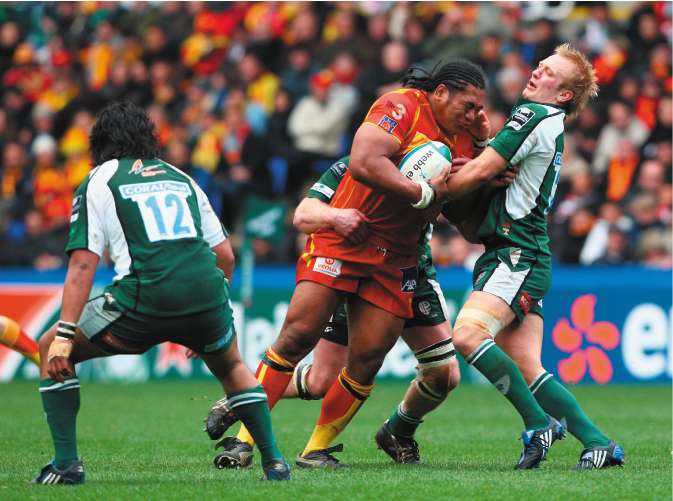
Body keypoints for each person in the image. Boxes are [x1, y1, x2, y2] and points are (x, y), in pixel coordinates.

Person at [214, 61, 489, 470]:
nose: (473, 116)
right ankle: (244, 441)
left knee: (368, 358)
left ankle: (316, 450)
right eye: (468, 106)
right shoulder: (399, 107)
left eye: (479, 109)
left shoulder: (465, 140)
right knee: (296, 337)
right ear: (441, 92)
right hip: (345, 239)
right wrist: (418, 192)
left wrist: (484, 151)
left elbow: (457, 209)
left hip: (397, 258)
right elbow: (363, 161)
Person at [33, 101, 290, 485]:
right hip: (205, 294)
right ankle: (275, 464)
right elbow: (225, 255)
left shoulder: (99, 179)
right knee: (233, 368)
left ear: (100, 143)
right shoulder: (181, 177)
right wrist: (210, 310)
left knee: (50, 344)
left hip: (143, 298)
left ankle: (66, 466)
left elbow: (83, 265)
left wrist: (66, 334)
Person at [445, 44, 624, 470]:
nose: (535, 74)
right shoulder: (549, 123)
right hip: (524, 253)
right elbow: (502, 170)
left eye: (548, 73)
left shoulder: (534, 115)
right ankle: (600, 444)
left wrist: (423, 191)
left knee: (467, 336)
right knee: (528, 369)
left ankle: (537, 424)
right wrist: (488, 145)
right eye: (539, 67)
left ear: (563, 94)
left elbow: (481, 171)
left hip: (516, 254)